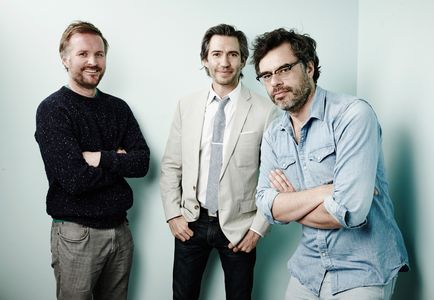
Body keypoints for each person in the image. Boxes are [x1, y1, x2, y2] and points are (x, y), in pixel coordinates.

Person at [252, 28, 409, 300]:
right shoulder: (274, 134)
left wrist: (289, 203)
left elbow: (348, 212)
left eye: (284, 69)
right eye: (266, 75)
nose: (275, 82)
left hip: (363, 268)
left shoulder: (354, 116)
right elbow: (266, 205)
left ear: (309, 67)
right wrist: (325, 192)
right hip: (308, 268)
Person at [35, 21, 150, 300]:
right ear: (65, 58)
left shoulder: (118, 107)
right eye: (83, 54)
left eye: (99, 54)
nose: (93, 61)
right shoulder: (53, 110)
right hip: (77, 236)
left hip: (121, 233)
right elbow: (75, 180)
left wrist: (99, 158)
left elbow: (142, 163)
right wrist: (119, 161)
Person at [160, 24, 275, 300]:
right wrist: (173, 214)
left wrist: (258, 229)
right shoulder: (185, 106)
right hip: (191, 221)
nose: (225, 62)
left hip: (240, 226)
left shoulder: (265, 110)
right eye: (217, 54)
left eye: (233, 54)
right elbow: (171, 165)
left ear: (243, 60)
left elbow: (275, 177)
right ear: (205, 60)